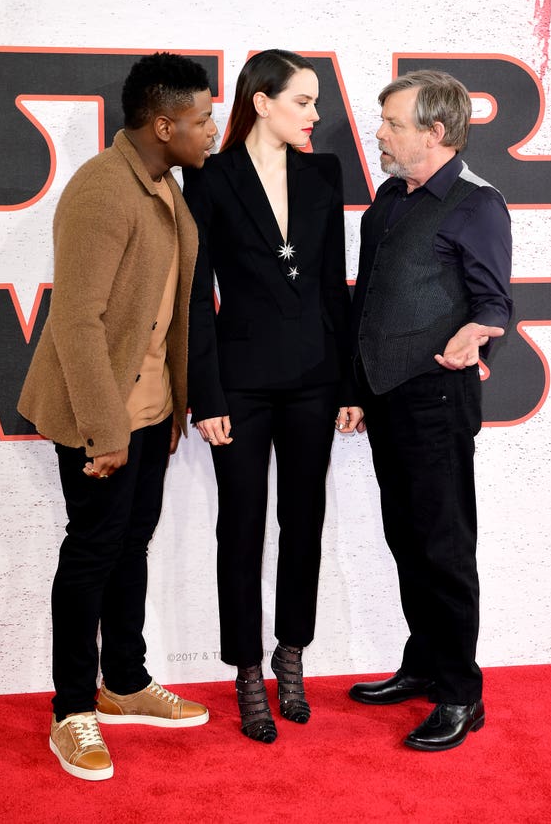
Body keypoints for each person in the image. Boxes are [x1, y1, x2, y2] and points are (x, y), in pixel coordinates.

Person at [18, 52, 218, 780]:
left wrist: (166, 408)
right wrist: (106, 430)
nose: (211, 131)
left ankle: (125, 681)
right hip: (97, 414)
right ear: (163, 124)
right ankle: (73, 708)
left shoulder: (163, 183)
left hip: (149, 411)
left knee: (130, 545)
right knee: (92, 551)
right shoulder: (103, 191)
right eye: (201, 120)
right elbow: (76, 321)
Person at [183, 49, 362, 744]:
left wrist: (349, 384)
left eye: (316, 102)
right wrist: (207, 396)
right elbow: (199, 296)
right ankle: (247, 668)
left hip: (316, 379)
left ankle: (292, 652)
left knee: (305, 519)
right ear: (261, 101)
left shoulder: (324, 172)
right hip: (241, 384)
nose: (317, 114)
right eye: (303, 101)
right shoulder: (214, 177)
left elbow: (332, 287)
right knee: (242, 526)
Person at [348, 70, 512, 751]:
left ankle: (459, 692)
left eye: (391, 122)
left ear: (434, 132)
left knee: (445, 548)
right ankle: (423, 663)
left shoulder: (478, 204)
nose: (379, 133)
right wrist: (354, 388)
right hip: (385, 398)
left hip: (438, 399)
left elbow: (494, 299)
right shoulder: (386, 201)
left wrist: (479, 330)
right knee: (406, 539)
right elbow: (367, 303)